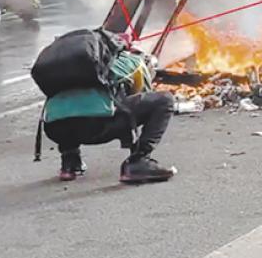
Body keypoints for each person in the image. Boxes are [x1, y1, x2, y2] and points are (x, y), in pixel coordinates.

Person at [35, 30, 176, 184]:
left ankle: (70, 163)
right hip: (96, 127)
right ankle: (139, 161)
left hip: (54, 129)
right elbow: (141, 91)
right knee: (164, 100)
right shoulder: (125, 60)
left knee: (71, 106)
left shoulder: (62, 66)